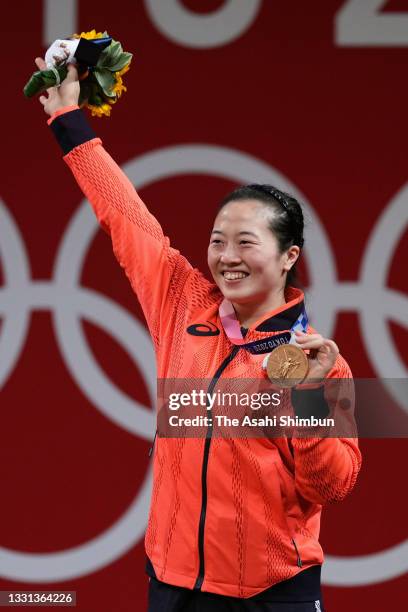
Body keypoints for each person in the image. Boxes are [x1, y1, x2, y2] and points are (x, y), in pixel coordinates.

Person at [36, 57, 362, 612]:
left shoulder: (320, 361)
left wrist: (307, 396)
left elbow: (331, 487)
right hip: (172, 586)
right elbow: (124, 216)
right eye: (217, 241)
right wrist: (69, 120)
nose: (226, 258)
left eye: (246, 243)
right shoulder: (182, 300)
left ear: (289, 257)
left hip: (271, 596)